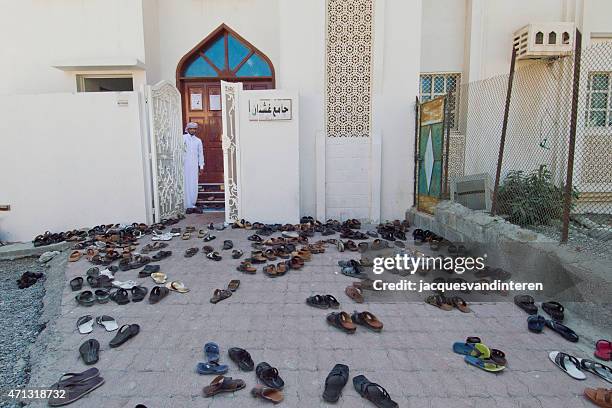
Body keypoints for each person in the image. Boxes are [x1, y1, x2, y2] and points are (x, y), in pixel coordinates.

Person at [183, 122, 204, 210]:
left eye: (194, 129)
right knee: (185, 184)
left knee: (193, 183)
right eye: (191, 128)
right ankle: (185, 204)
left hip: (194, 166)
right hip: (184, 165)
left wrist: (201, 166)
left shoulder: (198, 140)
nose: (193, 130)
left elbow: (200, 154)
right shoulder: (182, 138)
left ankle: (192, 203)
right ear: (187, 129)